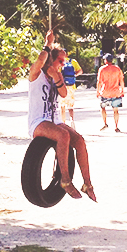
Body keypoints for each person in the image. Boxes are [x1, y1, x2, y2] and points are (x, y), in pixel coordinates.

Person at [27, 30, 96, 202]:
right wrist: (48, 44)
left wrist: (57, 76)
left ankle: (87, 183)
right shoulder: (36, 74)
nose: (63, 64)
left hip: (55, 121)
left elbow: (64, 94)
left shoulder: (56, 76)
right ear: (51, 59)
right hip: (39, 121)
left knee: (79, 141)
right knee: (63, 136)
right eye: (60, 60)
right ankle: (65, 180)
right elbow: (41, 60)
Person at [96, 52, 124, 132]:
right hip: (115, 92)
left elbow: (99, 82)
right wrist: (122, 90)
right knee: (115, 110)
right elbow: (121, 81)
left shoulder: (102, 69)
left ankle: (105, 123)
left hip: (105, 92)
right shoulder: (117, 69)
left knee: (103, 108)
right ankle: (116, 126)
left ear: (105, 60)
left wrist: (98, 91)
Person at [59, 53, 81, 128]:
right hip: (71, 86)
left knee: (62, 106)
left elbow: (58, 73)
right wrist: (74, 76)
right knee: (70, 106)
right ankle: (72, 120)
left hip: (63, 86)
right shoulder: (73, 61)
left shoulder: (60, 62)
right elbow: (80, 71)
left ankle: (63, 123)